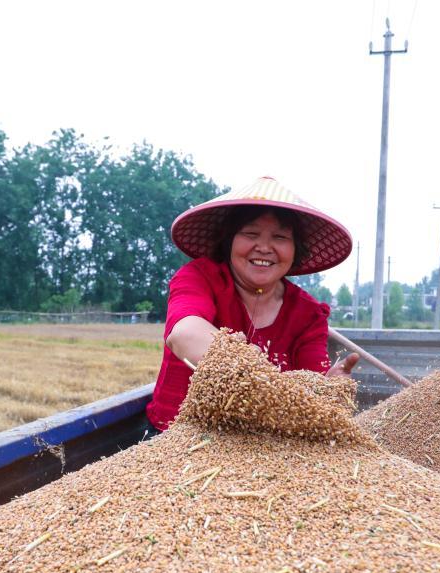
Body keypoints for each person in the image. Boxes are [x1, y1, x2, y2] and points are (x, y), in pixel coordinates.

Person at [146, 176, 360, 430]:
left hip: (264, 445)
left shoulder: (308, 314)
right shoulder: (200, 277)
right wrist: (248, 366)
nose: (264, 247)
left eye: (280, 237)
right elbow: (184, 333)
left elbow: (311, 387)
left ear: (295, 249)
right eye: (251, 233)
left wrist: (329, 387)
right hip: (177, 436)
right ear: (229, 241)